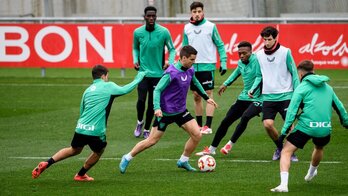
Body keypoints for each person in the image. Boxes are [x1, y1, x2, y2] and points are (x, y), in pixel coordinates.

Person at [32, 65, 146, 181]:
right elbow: (125, 89)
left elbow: (82, 110)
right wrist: (138, 78)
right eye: (107, 76)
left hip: (80, 127)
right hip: (96, 131)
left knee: (74, 149)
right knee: (99, 151)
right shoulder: (108, 86)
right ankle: (80, 175)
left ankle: (47, 162)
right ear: (103, 76)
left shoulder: (87, 90)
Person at [119, 45, 218, 173]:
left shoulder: (190, 69)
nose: (194, 62)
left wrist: (206, 97)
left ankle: (183, 160)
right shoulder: (171, 73)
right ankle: (127, 157)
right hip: (165, 113)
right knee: (151, 141)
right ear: (183, 58)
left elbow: (196, 82)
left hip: (181, 111)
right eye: (192, 59)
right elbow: (157, 90)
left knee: (197, 135)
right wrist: (157, 108)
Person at [270, 60, 348, 192]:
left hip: (306, 127)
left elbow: (291, 112)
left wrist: (282, 133)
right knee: (319, 147)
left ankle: (283, 185)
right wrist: (346, 122)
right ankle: (312, 172)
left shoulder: (301, 88)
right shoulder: (328, 88)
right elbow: (340, 107)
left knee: (286, 151)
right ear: (313, 71)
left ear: (300, 75)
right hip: (324, 127)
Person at [195, 41, 262, 156]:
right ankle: (212, 149)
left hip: (258, 98)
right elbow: (236, 72)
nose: (241, 56)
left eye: (244, 53)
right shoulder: (241, 62)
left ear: (251, 52)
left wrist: (253, 90)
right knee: (226, 121)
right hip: (244, 97)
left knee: (245, 117)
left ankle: (229, 144)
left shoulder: (257, 61)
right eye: (239, 53)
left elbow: (259, 77)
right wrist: (225, 84)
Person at [249, 26, 300, 161]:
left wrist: (299, 94)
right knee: (267, 124)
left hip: (286, 95)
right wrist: (253, 89)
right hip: (268, 96)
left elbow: (294, 73)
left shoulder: (285, 52)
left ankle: (290, 152)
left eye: (269, 39)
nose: (266, 42)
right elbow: (259, 76)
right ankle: (280, 148)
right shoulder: (258, 55)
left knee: (289, 125)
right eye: (264, 39)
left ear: (276, 38)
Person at [182, 1, 227, 134]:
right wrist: (182, 64)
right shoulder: (186, 28)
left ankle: (208, 125)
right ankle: (199, 125)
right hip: (192, 67)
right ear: (191, 13)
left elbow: (220, 44)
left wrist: (223, 62)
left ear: (203, 12)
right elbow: (184, 48)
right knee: (196, 96)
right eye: (194, 12)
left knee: (208, 94)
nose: (197, 14)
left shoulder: (211, 26)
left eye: (199, 11)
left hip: (207, 65)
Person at [133, 6, 176, 139]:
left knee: (153, 103)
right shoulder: (137, 32)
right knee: (141, 100)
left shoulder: (164, 32)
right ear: (144, 17)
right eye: (149, 16)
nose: (151, 18)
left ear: (156, 17)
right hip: (143, 73)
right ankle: (140, 122)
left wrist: (170, 62)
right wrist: (135, 60)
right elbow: (135, 48)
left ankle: (147, 129)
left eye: (153, 16)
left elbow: (172, 49)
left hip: (158, 75)